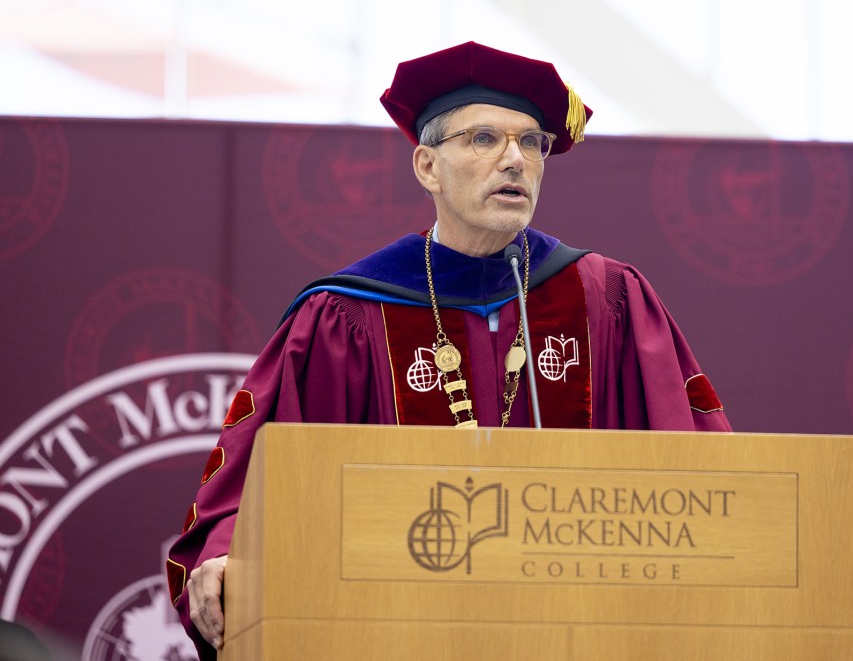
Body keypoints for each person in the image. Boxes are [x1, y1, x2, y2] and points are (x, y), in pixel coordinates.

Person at [166, 41, 731, 658]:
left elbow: (698, 467)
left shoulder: (606, 297)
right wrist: (230, 554)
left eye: (532, 142)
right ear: (428, 167)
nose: (514, 159)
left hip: (582, 632)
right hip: (390, 634)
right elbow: (257, 480)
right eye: (484, 138)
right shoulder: (346, 315)